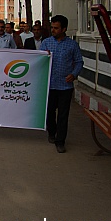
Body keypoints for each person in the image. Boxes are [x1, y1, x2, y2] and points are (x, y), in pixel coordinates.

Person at [40, 15, 83, 153]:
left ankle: (60, 141)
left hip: (65, 86)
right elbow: (38, 60)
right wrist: (42, 56)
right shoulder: (46, 43)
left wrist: (74, 74)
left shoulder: (72, 45)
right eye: (52, 27)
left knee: (63, 115)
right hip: (49, 85)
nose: (53, 30)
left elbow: (79, 61)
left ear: (64, 29)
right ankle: (52, 133)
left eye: (56, 28)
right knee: (50, 112)